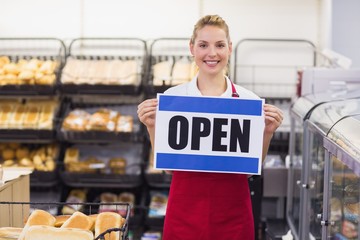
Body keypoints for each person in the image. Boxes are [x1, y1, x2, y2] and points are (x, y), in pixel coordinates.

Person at [137, 14, 283, 240]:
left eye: (219, 45)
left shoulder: (248, 101)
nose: (212, 53)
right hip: (184, 212)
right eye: (203, 45)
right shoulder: (173, 98)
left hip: (233, 215)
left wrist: (267, 133)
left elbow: (249, 169)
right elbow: (169, 167)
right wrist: (151, 126)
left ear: (230, 48)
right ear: (192, 48)